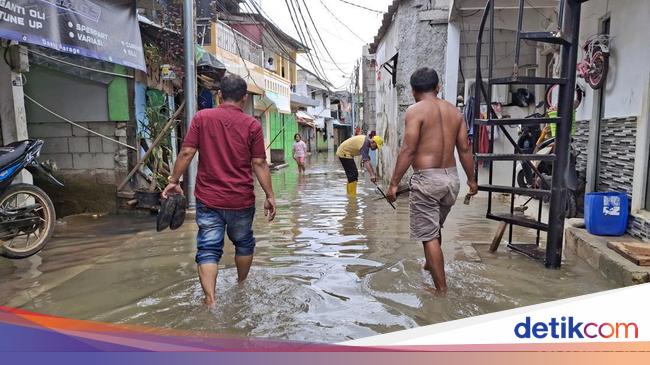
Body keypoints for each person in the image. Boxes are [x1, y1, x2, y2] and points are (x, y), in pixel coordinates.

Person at [162, 74, 277, 306]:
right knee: (244, 243)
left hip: (208, 199)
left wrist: (174, 180)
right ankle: (241, 286)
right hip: (241, 200)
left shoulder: (202, 118)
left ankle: (210, 299)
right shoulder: (252, 125)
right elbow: (259, 163)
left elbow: (186, 152)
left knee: (208, 248)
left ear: (219, 95)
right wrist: (270, 195)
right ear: (244, 98)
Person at [386, 67, 478, 293]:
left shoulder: (415, 111)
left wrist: (394, 183)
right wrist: (472, 181)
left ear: (413, 90)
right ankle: (429, 264)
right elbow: (465, 149)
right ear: (438, 88)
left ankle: (441, 290)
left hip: (428, 179)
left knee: (428, 236)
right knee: (434, 228)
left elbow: (408, 149)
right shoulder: (455, 112)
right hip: (451, 180)